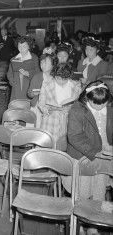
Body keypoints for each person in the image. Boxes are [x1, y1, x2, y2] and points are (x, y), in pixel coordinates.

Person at [66, 81, 113, 235]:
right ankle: (80, 223)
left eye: (104, 104)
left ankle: (93, 226)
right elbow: (75, 137)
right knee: (84, 193)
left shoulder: (109, 108)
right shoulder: (77, 110)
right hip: (83, 155)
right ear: (87, 98)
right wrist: (94, 152)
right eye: (96, 104)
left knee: (99, 191)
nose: (100, 108)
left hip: (104, 156)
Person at [38, 63, 82, 150]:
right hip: (50, 120)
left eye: (64, 79)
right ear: (54, 75)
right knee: (48, 146)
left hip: (68, 119)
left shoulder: (75, 86)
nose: (61, 82)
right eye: (58, 78)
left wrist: (71, 108)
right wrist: (44, 108)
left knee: (65, 147)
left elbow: (79, 105)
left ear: (69, 77)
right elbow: (41, 102)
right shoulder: (47, 84)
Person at [7, 36, 40, 101]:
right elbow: (9, 73)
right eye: (19, 46)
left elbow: (38, 73)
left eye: (24, 46)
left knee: (28, 106)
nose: (21, 48)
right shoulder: (13, 59)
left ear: (29, 46)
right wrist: (12, 81)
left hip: (29, 85)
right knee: (16, 106)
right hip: (16, 86)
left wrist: (28, 73)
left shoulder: (34, 58)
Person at [27, 53, 54, 127]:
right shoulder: (37, 77)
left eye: (45, 62)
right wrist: (34, 93)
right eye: (41, 62)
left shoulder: (55, 78)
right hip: (37, 106)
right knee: (35, 129)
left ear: (53, 65)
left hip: (50, 107)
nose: (42, 64)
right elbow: (29, 93)